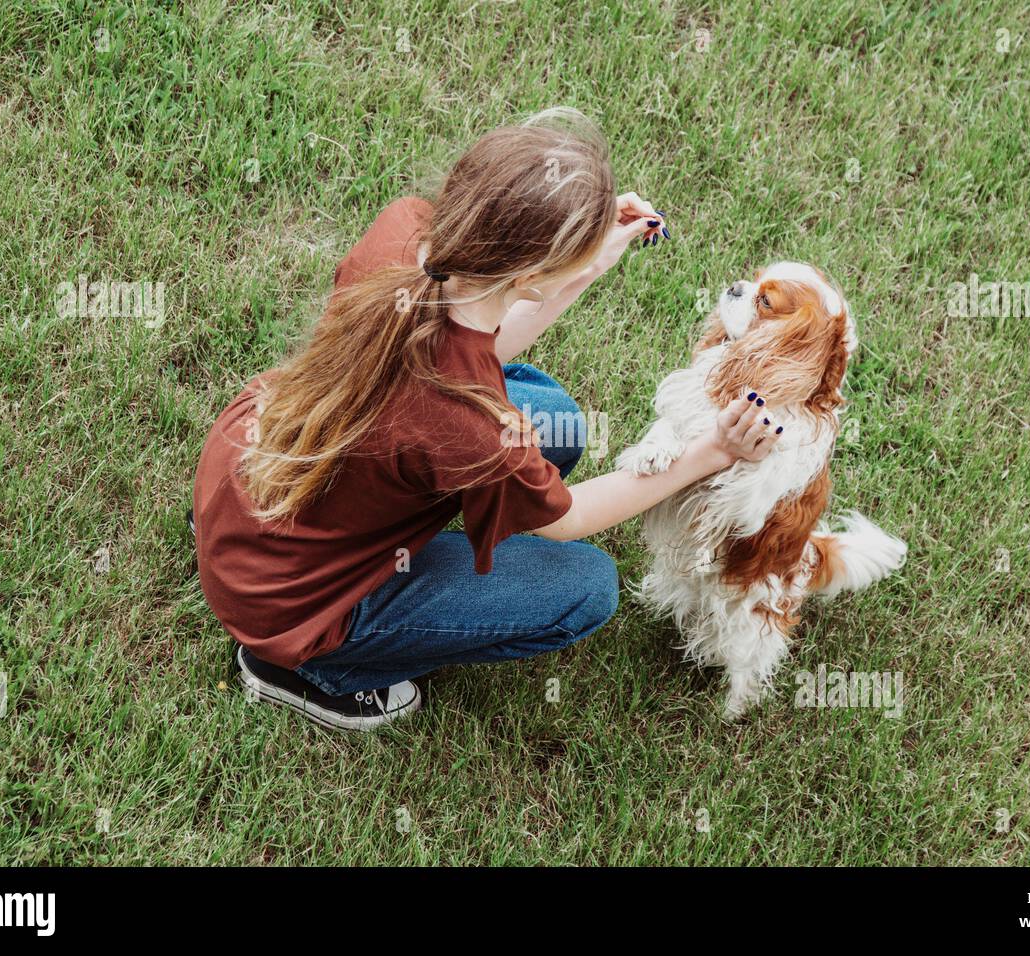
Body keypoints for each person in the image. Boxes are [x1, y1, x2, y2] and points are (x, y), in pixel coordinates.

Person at [193, 108, 779, 730]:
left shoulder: (410, 234)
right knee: (587, 586)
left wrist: (587, 263)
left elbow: (477, 340)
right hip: (287, 607)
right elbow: (569, 520)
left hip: (243, 481)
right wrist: (711, 452)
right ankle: (317, 673)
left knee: (557, 423)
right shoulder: (468, 423)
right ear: (528, 274)